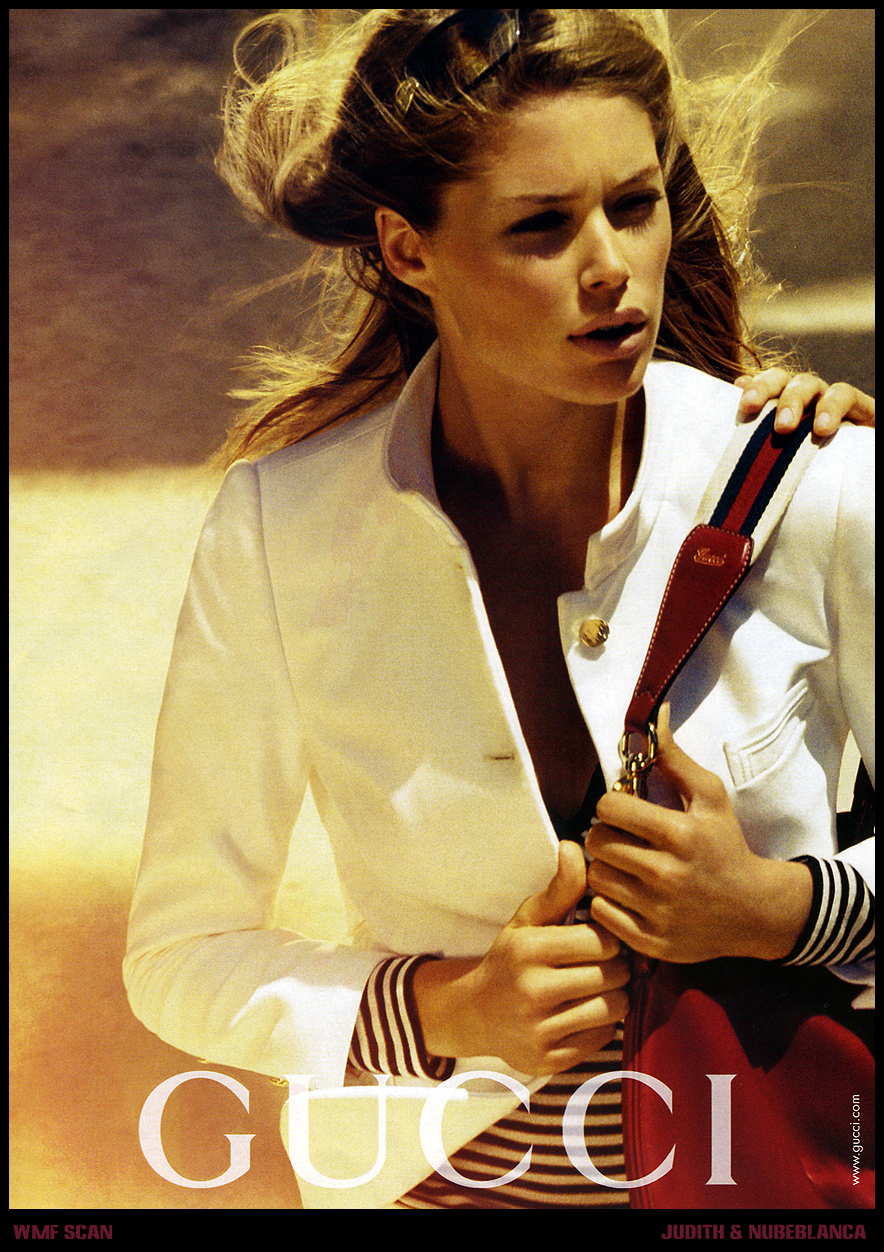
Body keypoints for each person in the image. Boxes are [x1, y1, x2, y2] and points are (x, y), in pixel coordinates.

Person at [124, 10, 874, 1209]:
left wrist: (783, 909)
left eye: (633, 205)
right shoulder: (281, 528)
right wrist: (443, 1008)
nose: (608, 266)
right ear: (406, 248)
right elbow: (180, 953)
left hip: (766, 1182)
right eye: (539, 226)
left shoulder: (814, 482)